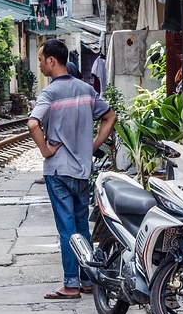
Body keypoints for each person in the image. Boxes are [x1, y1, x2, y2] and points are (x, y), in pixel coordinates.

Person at [27, 38, 117, 300]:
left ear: (52, 61)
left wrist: (44, 150)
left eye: (42, 59)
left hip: (58, 171)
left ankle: (70, 284)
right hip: (82, 170)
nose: (41, 64)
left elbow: (33, 124)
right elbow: (110, 116)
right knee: (81, 226)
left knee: (67, 229)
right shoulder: (86, 90)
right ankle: (88, 279)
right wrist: (93, 145)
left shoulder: (50, 93)